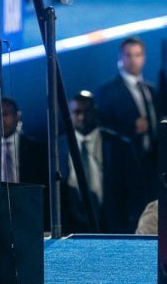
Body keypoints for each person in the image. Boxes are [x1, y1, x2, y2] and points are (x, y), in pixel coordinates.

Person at [60, 91, 143, 234]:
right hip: (69, 230)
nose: (82, 117)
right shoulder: (56, 147)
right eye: (77, 112)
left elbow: (136, 190)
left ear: (96, 112)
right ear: (69, 114)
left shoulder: (120, 146)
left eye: (87, 111)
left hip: (112, 229)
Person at [95, 37, 159, 177]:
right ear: (121, 57)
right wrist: (131, 128)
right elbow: (102, 129)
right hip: (125, 167)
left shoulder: (151, 90)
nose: (133, 60)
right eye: (128, 55)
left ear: (143, 58)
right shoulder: (108, 91)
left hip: (153, 162)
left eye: (137, 55)